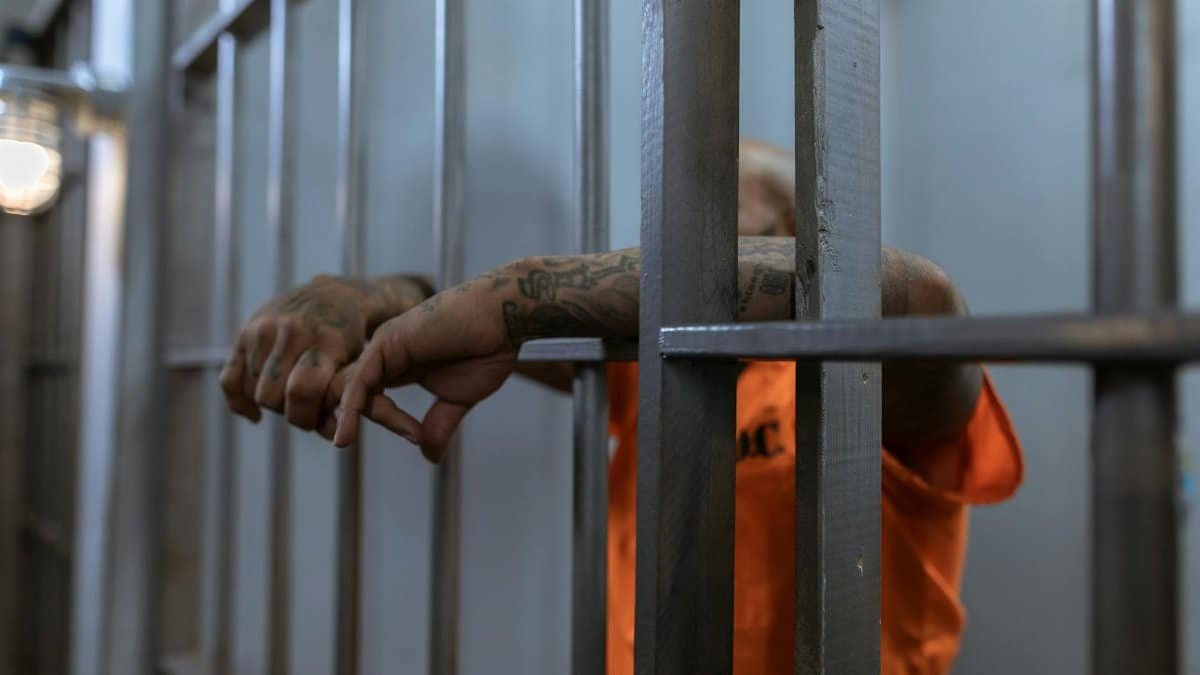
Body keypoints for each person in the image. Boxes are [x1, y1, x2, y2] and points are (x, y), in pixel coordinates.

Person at [219, 141, 1023, 675]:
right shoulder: (660, 374)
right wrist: (375, 298)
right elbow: (445, 321)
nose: (656, 244)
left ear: (786, 233)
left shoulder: (860, 384)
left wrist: (519, 297)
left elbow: (919, 299)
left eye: (715, 210)